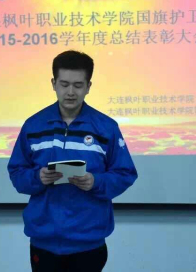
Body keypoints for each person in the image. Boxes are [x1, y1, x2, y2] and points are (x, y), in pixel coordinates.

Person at [8, 50, 138, 272]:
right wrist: (37, 177)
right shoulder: (33, 126)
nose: (70, 92)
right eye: (64, 84)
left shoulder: (106, 128)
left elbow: (125, 174)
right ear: (53, 84)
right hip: (44, 240)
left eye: (78, 85)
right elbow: (17, 172)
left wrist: (95, 182)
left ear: (88, 86)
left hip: (89, 241)